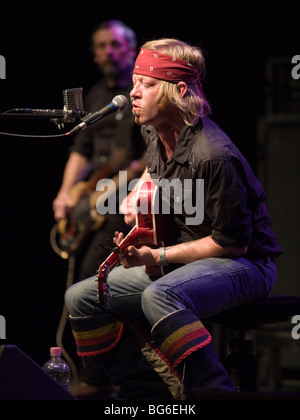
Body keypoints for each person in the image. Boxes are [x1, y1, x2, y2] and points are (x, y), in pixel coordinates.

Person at [65, 38, 282, 400]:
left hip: (247, 264)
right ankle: (150, 396)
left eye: (146, 84)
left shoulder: (213, 155)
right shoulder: (152, 129)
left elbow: (231, 243)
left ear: (178, 90)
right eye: (134, 82)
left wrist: (159, 257)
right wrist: (139, 194)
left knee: (158, 295)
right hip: (188, 256)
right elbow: (155, 170)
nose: (132, 93)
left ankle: (213, 392)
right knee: (83, 297)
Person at [52, 20, 145, 399]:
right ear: (94, 54)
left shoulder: (140, 92)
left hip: (128, 199)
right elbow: (81, 150)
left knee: (94, 282)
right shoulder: (93, 97)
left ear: (132, 49)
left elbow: (139, 157)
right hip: (96, 199)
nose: (109, 52)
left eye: (117, 45)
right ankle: (100, 377)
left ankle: (108, 378)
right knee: (87, 283)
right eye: (103, 46)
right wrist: (65, 193)